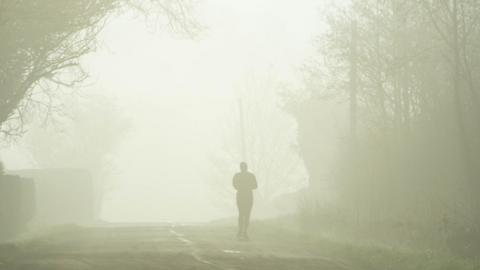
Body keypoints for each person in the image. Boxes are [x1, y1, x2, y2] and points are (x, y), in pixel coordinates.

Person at [232, 162, 257, 240]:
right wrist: (248, 187)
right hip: (248, 196)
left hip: (240, 196)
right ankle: (245, 232)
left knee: (241, 214)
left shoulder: (237, 175)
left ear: (240, 167)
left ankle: (240, 231)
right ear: (246, 167)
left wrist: (239, 188)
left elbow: (234, 184)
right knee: (247, 214)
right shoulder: (251, 176)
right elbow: (255, 186)